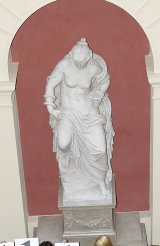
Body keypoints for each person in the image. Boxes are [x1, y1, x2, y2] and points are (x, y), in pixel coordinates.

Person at [44, 39, 114, 201]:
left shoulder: (93, 68)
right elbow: (50, 85)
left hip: (89, 113)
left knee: (100, 151)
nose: (80, 65)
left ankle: (101, 183)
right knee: (63, 144)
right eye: (77, 62)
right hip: (67, 113)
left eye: (83, 63)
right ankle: (75, 168)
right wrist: (50, 108)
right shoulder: (64, 66)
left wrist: (99, 93)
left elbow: (105, 80)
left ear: (89, 57)